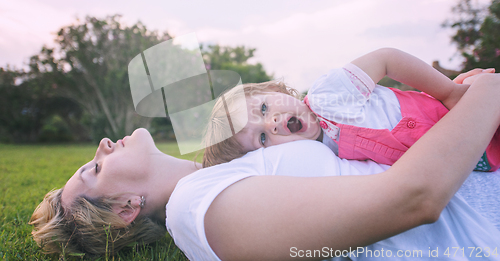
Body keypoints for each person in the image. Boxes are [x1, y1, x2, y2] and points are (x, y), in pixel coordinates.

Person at [30, 70, 500, 260]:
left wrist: (448, 106)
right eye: (93, 169)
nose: (104, 143)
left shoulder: (229, 166)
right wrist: (484, 98)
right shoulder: (198, 208)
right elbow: (413, 199)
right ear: (125, 209)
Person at [202, 48, 500, 171]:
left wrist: (451, 92)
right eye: (262, 138)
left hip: (452, 112)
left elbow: (386, 58)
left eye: (264, 108)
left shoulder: (326, 97)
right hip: (468, 151)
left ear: (277, 91)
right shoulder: (319, 159)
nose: (273, 123)